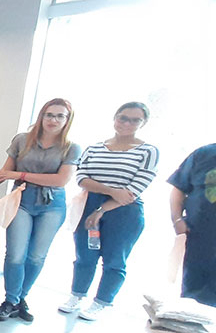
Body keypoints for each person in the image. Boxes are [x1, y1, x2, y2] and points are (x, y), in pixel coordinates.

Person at [0, 98, 80, 322]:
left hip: (52, 204)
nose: (53, 120)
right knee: (15, 254)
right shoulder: (22, 140)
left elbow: (60, 180)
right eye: (49, 114)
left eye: (60, 116)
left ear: (67, 120)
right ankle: (11, 300)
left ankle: (20, 299)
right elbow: (4, 172)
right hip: (21, 200)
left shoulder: (71, 147)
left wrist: (20, 175)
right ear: (41, 116)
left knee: (36, 257)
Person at [59, 102, 159, 320]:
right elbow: (81, 178)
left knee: (115, 259)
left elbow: (132, 192)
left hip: (124, 211)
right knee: (85, 255)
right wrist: (111, 191)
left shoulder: (148, 151)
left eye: (135, 120)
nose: (127, 123)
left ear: (143, 123)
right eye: (123, 118)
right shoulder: (95, 148)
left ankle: (101, 302)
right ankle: (77, 295)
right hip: (89, 204)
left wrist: (103, 208)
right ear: (115, 118)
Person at [168, 143, 216, 307]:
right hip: (200, 240)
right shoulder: (205, 153)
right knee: (194, 302)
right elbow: (179, 188)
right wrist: (177, 220)